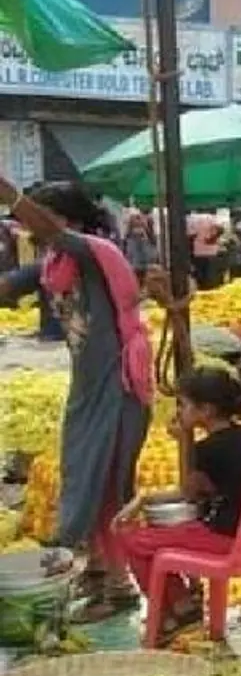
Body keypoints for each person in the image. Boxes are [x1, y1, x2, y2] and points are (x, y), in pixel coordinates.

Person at [0, 180, 153, 621]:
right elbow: (9, 286)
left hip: (119, 388)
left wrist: (10, 195)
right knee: (84, 483)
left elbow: (55, 233)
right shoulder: (54, 262)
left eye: (36, 216)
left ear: (62, 219)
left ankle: (120, 586)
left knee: (111, 488)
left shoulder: (90, 252)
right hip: (88, 392)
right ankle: (100, 573)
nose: (25, 226)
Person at [113, 368, 241, 645]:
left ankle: (172, 615)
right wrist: (143, 500)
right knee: (151, 540)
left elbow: (187, 493)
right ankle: (180, 605)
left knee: (130, 537)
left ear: (206, 410)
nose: (178, 411)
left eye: (183, 404)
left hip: (223, 537)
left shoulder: (210, 450)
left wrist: (183, 443)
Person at [188, 213, 223, 290]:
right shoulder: (212, 218)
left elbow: (190, 235)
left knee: (200, 280)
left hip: (198, 253)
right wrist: (212, 239)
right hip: (211, 253)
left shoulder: (192, 218)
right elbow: (220, 229)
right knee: (211, 279)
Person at [122, 211, 158, 287]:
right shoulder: (128, 239)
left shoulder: (149, 239)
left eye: (140, 226)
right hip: (134, 271)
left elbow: (152, 257)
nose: (137, 230)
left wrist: (144, 239)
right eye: (135, 227)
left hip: (145, 270)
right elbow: (126, 255)